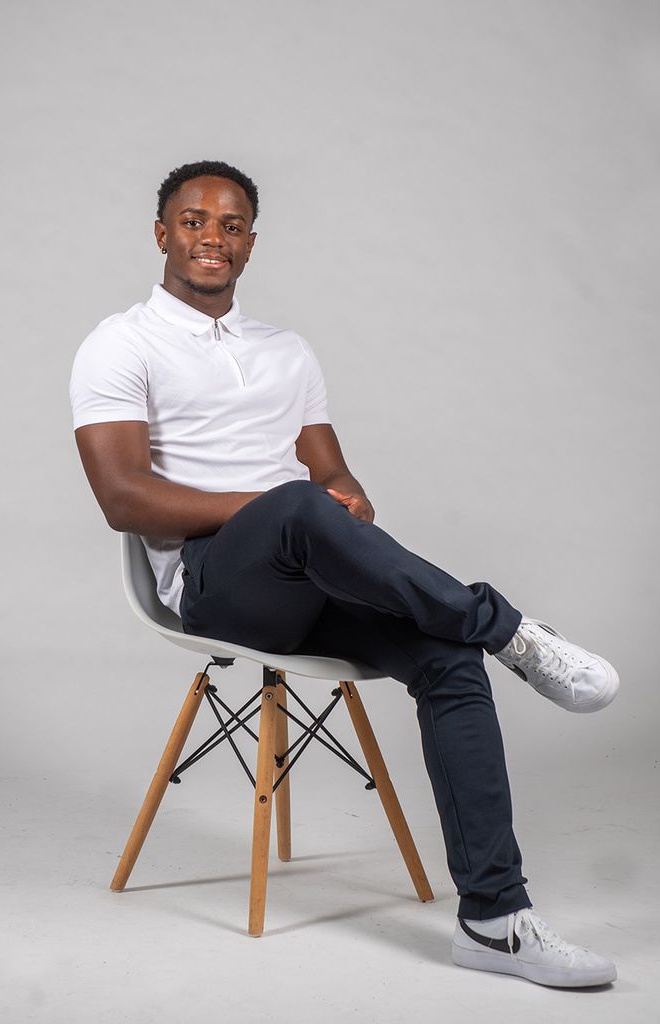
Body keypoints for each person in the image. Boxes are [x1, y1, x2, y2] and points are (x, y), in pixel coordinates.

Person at [70, 159, 620, 988]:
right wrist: (289, 507)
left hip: (308, 572)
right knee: (293, 508)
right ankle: (508, 626)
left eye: (230, 225)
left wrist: (345, 504)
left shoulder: (287, 351)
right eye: (192, 222)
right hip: (215, 585)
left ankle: (495, 921)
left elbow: (336, 479)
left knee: (446, 659)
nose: (211, 238)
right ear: (161, 234)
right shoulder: (119, 342)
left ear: (251, 243)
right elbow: (122, 497)